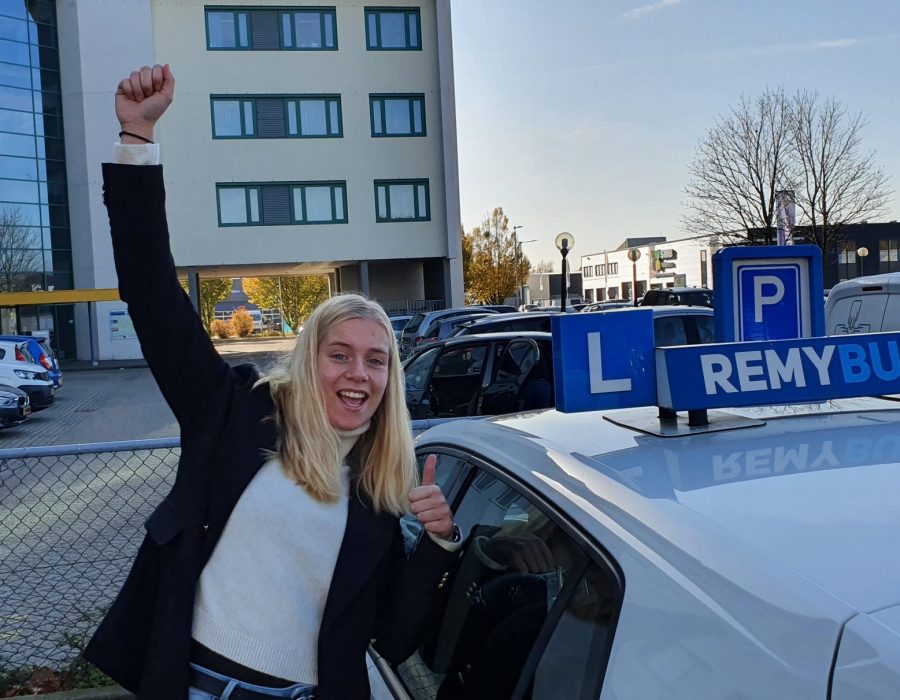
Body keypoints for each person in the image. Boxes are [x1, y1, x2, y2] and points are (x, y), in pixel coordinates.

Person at [84, 64, 460, 700]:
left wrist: (441, 543)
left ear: (390, 379)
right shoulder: (233, 412)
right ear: (310, 360)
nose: (358, 373)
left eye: (376, 360)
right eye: (340, 354)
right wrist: (137, 141)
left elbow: (393, 639)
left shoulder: (380, 486)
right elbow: (151, 293)